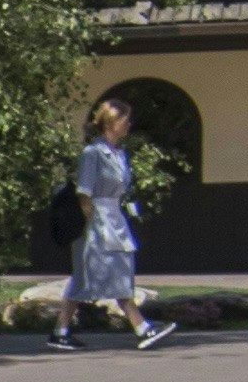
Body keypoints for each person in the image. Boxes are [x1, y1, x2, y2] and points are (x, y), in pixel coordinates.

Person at [51, 97, 176, 349]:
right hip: (98, 222)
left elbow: (120, 190)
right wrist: (92, 227)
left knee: (87, 278)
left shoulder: (119, 154)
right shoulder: (93, 153)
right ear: (111, 121)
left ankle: (60, 330)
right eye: (125, 119)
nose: (129, 124)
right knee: (108, 273)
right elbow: (84, 193)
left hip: (115, 217)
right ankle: (142, 328)